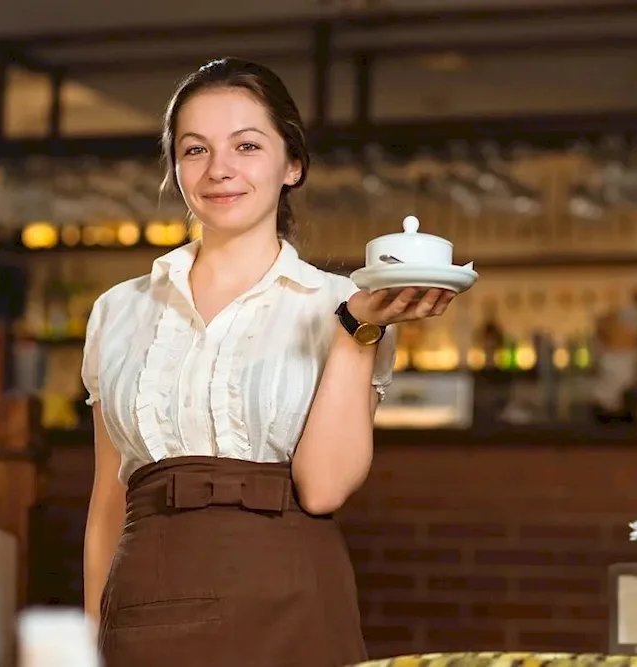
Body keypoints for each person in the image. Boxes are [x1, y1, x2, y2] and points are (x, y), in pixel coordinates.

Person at [81, 57, 456, 667]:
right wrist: (86, 642)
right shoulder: (117, 312)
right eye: (195, 149)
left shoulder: (344, 304)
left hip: (294, 601)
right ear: (175, 169)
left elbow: (325, 485)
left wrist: (355, 332)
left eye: (246, 145)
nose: (219, 169)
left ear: (293, 164)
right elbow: (106, 502)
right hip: (145, 607)